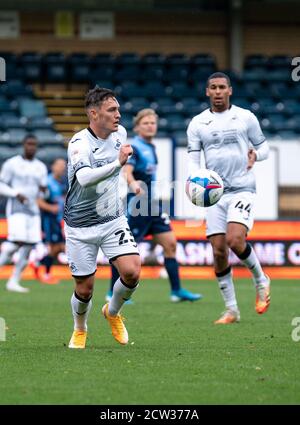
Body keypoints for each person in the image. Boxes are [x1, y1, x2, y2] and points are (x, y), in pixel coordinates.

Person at [187, 72, 270, 324]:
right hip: (215, 194)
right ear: (207, 92)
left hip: (242, 189)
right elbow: (193, 160)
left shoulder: (245, 117)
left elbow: (264, 146)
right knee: (218, 250)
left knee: (235, 240)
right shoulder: (198, 123)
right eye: (213, 87)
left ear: (230, 90)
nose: (218, 91)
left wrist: (256, 154)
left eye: (222, 87)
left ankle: (260, 279)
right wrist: (192, 182)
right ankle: (232, 310)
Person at [64, 86, 141, 349]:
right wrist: (118, 165)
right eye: (112, 110)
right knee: (85, 289)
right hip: (79, 225)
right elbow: (84, 179)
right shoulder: (78, 144)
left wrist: (126, 178)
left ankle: (113, 312)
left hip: (112, 219)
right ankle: (80, 328)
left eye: (118, 108)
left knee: (132, 272)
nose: (119, 114)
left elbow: (118, 166)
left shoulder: (120, 134)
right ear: (94, 114)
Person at [107, 108, 202, 303]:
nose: (150, 126)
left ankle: (176, 291)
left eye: (152, 123)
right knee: (122, 249)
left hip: (152, 205)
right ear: (137, 127)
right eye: (146, 123)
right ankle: (111, 292)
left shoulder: (151, 148)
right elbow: (127, 171)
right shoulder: (134, 146)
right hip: (139, 204)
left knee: (170, 244)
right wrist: (133, 185)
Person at [0, 135, 48, 293]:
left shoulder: (40, 167)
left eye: (34, 144)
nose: (31, 147)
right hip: (16, 209)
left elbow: (44, 193)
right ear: (23, 145)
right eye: (29, 144)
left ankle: (13, 281)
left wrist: (44, 192)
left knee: (28, 246)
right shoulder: (12, 164)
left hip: (33, 211)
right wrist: (15, 193)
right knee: (16, 242)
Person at [31, 158, 67, 285]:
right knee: (56, 247)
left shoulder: (62, 182)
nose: (63, 168)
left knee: (58, 248)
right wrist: (52, 208)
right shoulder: (47, 182)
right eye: (60, 165)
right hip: (49, 219)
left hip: (58, 219)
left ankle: (38, 264)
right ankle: (46, 273)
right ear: (53, 166)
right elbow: (38, 201)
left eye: (64, 166)